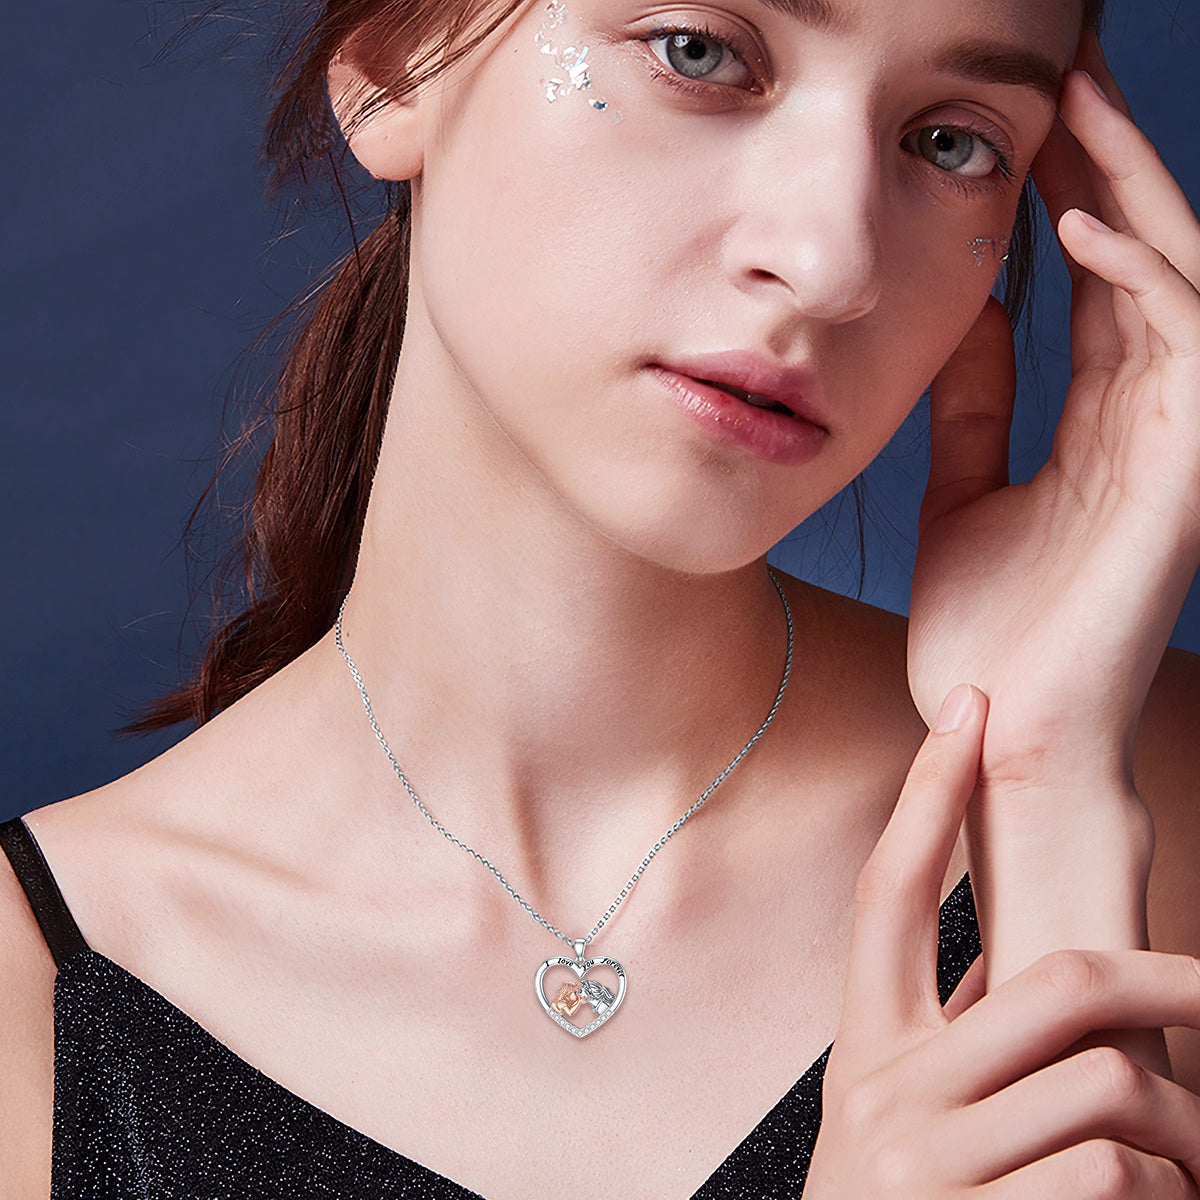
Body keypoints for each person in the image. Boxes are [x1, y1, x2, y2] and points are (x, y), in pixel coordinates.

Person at [3, 0, 1200, 1194]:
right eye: (699, 52)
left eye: (952, 143)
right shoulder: (37, 991)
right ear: (399, 64)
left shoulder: (1135, 791)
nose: (831, 265)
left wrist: (1044, 790)